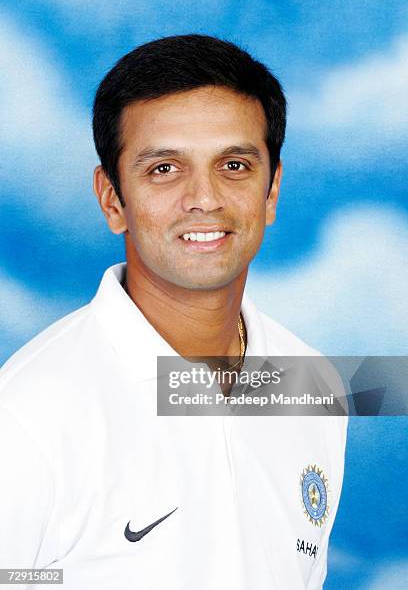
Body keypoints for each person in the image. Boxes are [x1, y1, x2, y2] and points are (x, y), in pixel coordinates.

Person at [0, 34, 347, 589]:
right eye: (164, 169)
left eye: (234, 164)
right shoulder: (26, 418)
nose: (203, 198)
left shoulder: (314, 384)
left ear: (272, 191)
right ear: (113, 199)